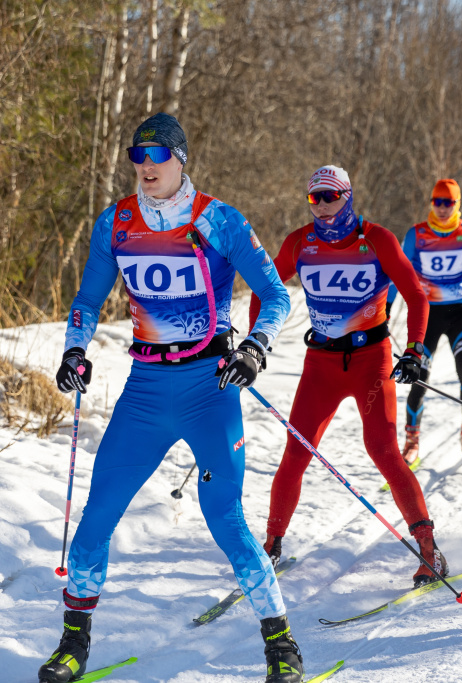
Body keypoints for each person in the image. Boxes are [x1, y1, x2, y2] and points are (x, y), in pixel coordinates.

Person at [43, 113, 305, 683]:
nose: (146, 167)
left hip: (209, 388)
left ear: (181, 159)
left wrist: (256, 345)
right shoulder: (115, 221)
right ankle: (73, 645)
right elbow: (88, 298)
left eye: (157, 156)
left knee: (227, 520)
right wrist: (74, 350)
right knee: (95, 522)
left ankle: (281, 645)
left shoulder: (221, 221)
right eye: (138, 156)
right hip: (144, 392)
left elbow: (275, 296)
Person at [248, 165, 447, 588]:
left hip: (371, 360)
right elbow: (266, 288)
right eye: (314, 198)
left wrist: (415, 349)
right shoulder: (300, 243)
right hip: (320, 364)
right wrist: (255, 342)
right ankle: (272, 545)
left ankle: (429, 549)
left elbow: (416, 294)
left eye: (330, 196)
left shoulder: (376, 239)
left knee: (382, 450)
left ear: (348, 196)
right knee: (296, 452)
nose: (322, 206)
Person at [384, 179, 462, 466]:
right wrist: (385, 306)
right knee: (419, 379)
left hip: (459, 311)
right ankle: (411, 441)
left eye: (449, 203)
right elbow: (400, 270)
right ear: (431, 203)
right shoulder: (417, 234)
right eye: (438, 202)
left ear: (457, 205)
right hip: (428, 315)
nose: (443, 208)